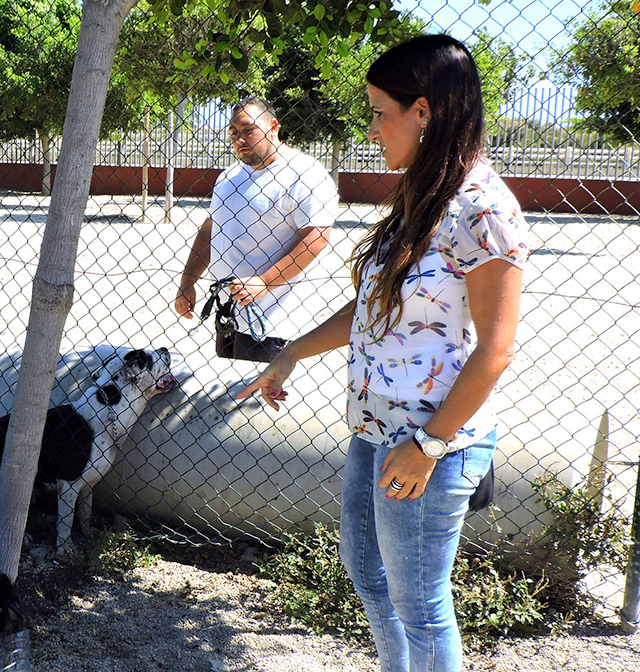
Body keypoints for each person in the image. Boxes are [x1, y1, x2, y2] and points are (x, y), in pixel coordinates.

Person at [238, 35, 529, 671]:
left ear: (422, 112)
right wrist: (292, 352)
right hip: (375, 430)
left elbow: (497, 350)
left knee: (422, 604)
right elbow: (376, 308)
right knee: (367, 571)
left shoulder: (483, 209)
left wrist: (428, 446)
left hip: (429, 443)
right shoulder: (421, 199)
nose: (371, 130)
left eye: (378, 112)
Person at [174, 96, 339, 362]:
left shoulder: (304, 173)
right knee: (228, 396)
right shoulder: (229, 177)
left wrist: (264, 282)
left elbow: (316, 238)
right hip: (230, 312)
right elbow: (209, 231)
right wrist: (187, 282)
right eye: (233, 133)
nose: (240, 139)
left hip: (274, 318)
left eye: (248, 130)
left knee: (259, 397)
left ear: (273, 126)